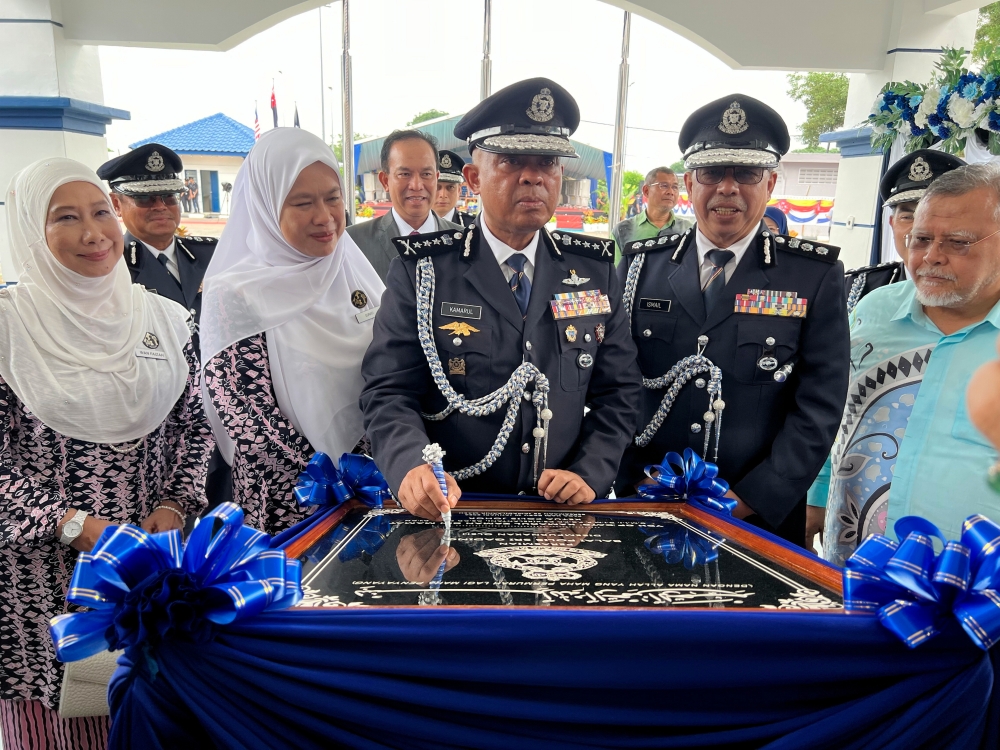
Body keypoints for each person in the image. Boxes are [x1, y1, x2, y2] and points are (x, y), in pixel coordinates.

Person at [0, 158, 212, 749]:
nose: (94, 233)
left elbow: (194, 427)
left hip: (148, 563)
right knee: (61, 722)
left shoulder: (164, 320)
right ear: (29, 230)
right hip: (41, 574)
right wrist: (72, 525)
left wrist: (173, 504)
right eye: (65, 218)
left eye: (100, 212)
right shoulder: (7, 330)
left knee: (151, 711)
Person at [361, 77, 641, 521]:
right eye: (512, 160)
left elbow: (621, 392)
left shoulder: (593, 272)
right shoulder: (424, 270)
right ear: (473, 177)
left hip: (561, 514)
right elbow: (389, 390)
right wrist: (412, 464)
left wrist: (591, 470)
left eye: (547, 162)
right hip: (451, 508)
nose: (533, 176)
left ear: (560, 174)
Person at [614, 95, 851, 546]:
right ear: (688, 182)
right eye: (711, 174)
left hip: (757, 517)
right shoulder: (641, 267)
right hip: (646, 501)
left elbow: (820, 406)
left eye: (746, 173)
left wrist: (746, 500)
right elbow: (615, 384)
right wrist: (634, 480)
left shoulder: (812, 275)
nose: (727, 188)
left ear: (772, 182)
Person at [810, 163, 1000, 564]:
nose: (932, 257)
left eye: (958, 243)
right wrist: (814, 503)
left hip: (975, 597)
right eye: (921, 238)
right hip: (851, 571)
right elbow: (838, 413)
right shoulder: (872, 310)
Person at [202, 128, 384, 536]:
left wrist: (379, 464)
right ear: (265, 207)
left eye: (333, 197)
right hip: (290, 500)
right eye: (303, 203)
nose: (325, 217)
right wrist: (329, 483)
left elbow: (395, 377)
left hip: (377, 489)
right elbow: (244, 413)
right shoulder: (234, 293)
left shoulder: (358, 275)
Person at [97, 144, 218, 339]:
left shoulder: (212, 253)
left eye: (169, 196)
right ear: (116, 204)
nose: (160, 206)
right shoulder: (109, 266)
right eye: (144, 198)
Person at [843, 150, 966, 314]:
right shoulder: (860, 286)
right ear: (892, 224)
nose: (918, 229)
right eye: (908, 217)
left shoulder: (981, 288)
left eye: (934, 215)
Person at [347, 130, 460, 281]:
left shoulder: (465, 241)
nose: (417, 185)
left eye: (426, 174)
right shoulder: (353, 243)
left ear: (436, 177)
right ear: (385, 181)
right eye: (404, 174)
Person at [612, 167, 693, 263]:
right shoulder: (622, 230)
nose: (670, 192)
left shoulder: (688, 230)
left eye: (675, 187)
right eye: (664, 186)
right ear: (646, 191)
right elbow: (615, 274)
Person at [433, 148, 474, 228]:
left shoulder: (472, 225)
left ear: (459, 190)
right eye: (437, 187)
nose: (443, 195)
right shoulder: (413, 224)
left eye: (450, 187)